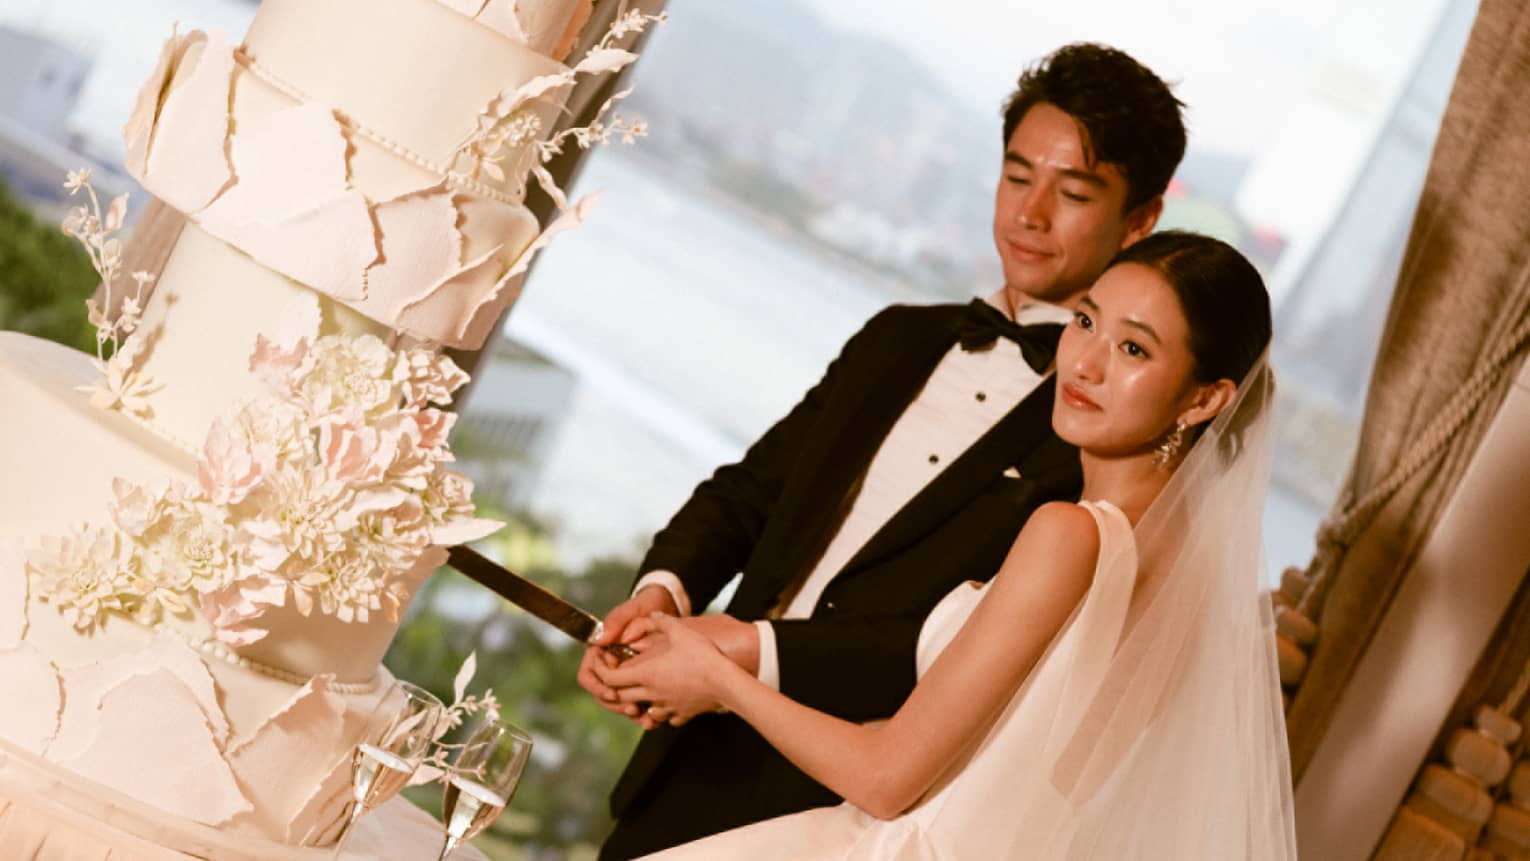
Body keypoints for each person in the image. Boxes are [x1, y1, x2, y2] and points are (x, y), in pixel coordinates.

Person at [579, 43, 1188, 859]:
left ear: (1140, 218)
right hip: (685, 757)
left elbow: (957, 652)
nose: (1029, 213)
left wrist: (736, 656)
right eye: (1016, 177)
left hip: (850, 812)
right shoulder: (897, 335)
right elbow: (751, 492)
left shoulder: (1101, 435)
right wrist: (663, 593)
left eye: (1073, 192)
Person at [602, 231, 1297, 859]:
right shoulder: (1194, 573)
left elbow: (886, 780)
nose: (1085, 363)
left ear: (1205, 399)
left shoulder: (1070, 531)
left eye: (1134, 347)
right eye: (1086, 320)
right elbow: (1023, 767)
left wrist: (720, 675)